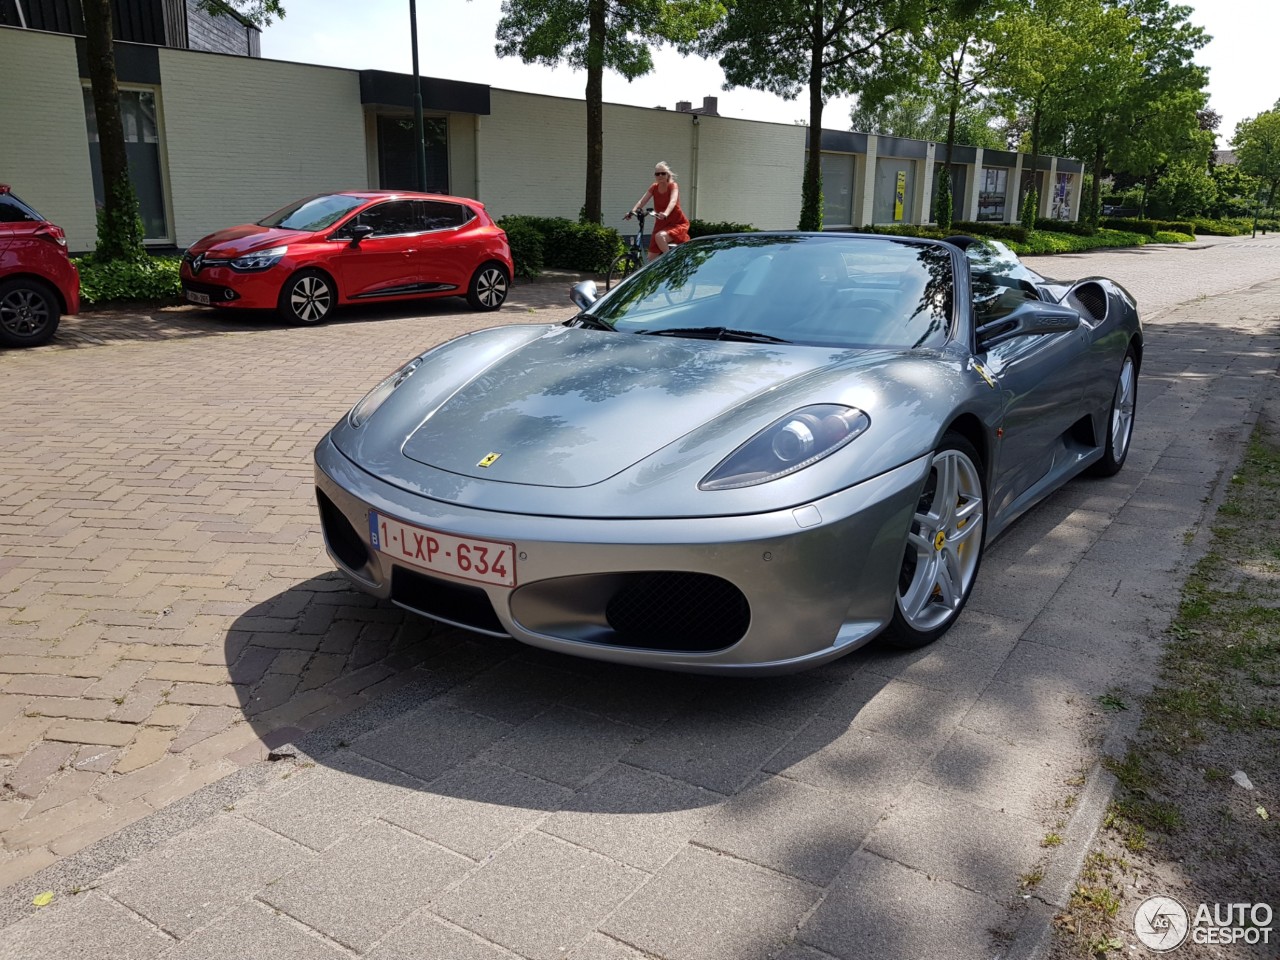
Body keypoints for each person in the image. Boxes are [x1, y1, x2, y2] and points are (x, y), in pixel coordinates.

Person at [626, 161, 690, 261]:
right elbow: (642, 201)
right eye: (657, 174)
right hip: (661, 223)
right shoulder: (654, 187)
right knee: (650, 260)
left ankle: (670, 261)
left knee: (660, 236)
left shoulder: (673, 186)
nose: (660, 176)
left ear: (667, 174)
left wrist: (665, 213)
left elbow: (673, 201)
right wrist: (632, 211)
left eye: (663, 173)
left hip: (676, 223)